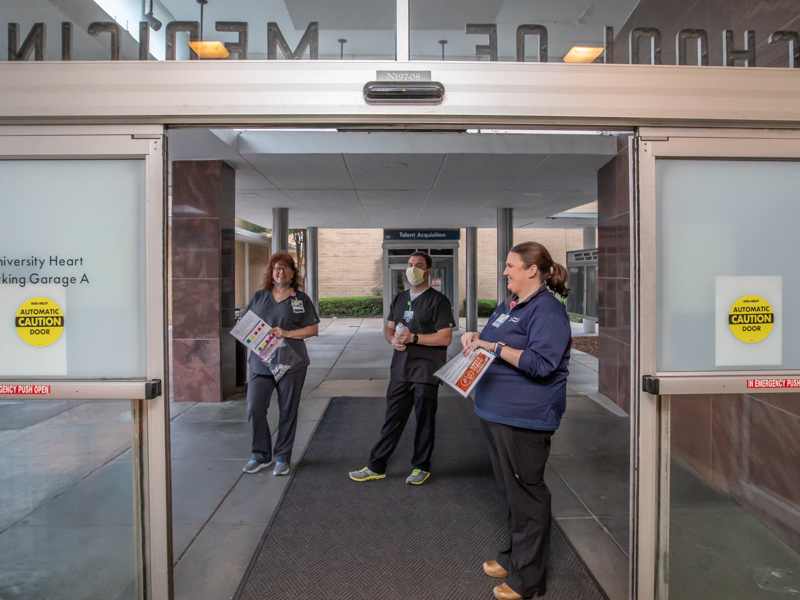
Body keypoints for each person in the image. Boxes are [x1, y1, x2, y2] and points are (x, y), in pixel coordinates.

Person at [461, 241, 571, 600]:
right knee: (511, 494)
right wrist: (477, 338)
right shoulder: (510, 306)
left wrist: (491, 347)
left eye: (511, 265)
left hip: (525, 418)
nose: (505, 271)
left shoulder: (548, 311)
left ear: (531, 270)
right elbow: (494, 340)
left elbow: (540, 364)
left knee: (528, 496)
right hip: (495, 412)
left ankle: (529, 581)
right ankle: (513, 557)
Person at [349, 251, 454, 485]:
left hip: (426, 370)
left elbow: (445, 338)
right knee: (392, 419)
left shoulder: (438, 301)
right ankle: (376, 465)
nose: (412, 268)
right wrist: (393, 340)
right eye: (409, 264)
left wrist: (412, 338)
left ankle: (421, 466)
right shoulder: (399, 299)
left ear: (427, 271)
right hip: (400, 370)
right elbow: (388, 328)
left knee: (424, 420)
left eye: (418, 265)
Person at [242, 251, 319, 476]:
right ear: (271, 271)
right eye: (277, 268)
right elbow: (246, 324)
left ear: (293, 272)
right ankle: (260, 455)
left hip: (290, 363)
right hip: (261, 362)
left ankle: (282, 458)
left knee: (288, 410)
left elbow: (312, 329)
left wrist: (286, 333)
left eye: (286, 268)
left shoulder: (300, 299)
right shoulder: (259, 296)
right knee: (254, 407)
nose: (281, 272)